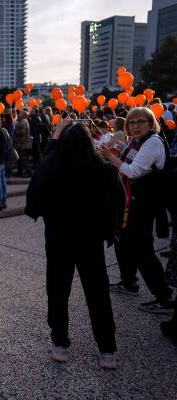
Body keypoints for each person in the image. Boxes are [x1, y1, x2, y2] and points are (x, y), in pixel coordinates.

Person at [26, 117, 125, 370]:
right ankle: (107, 350)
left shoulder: (51, 167)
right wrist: (108, 231)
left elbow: (39, 175)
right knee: (98, 294)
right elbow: (117, 202)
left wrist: (56, 133)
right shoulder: (103, 170)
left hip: (59, 239)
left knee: (58, 291)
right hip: (89, 240)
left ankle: (59, 344)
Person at [100, 107, 174, 314]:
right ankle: (129, 281)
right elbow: (132, 156)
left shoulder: (152, 142)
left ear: (151, 124)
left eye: (141, 122)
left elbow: (134, 171)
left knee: (142, 250)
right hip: (130, 202)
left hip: (143, 204)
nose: (135, 126)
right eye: (132, 123)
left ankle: (164, 297)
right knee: (123, 242)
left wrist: (110, 156)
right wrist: (119, 147)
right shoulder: (138, 142)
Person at [14, 110, 32, 177]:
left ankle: (28, 171)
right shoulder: (22, 121)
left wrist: (15, 131)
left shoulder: (24, 121)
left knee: (23, 159)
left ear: (23, 115)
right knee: (20, 159)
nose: (19, 115)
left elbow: (23, 131)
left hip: (22, 143)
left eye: (20, 114)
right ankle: (20, 172)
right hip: (20, 143)